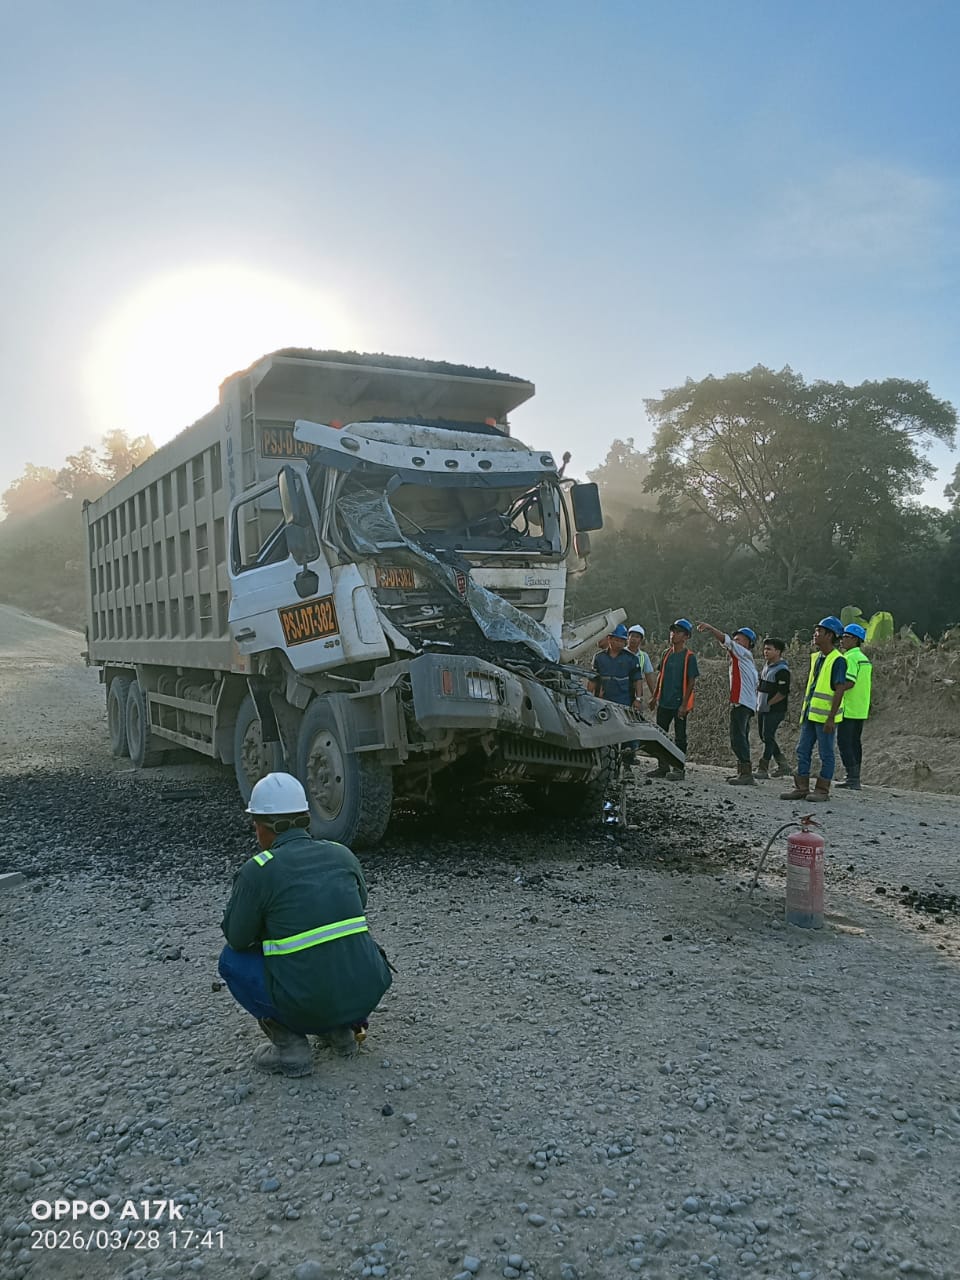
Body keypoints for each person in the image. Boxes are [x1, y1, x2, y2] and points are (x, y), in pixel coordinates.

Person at [218, 772, 393, 1077]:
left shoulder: (258, 871)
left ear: (264, 827)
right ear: (305, 818)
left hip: (305, 1003)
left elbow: (237, 938)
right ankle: (341, 1031)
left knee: (231, 961)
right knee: (337, 939)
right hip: (365, 994)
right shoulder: (342, 854)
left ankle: (290, 1048)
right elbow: (355, 906)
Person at [781, 617, 854, 803]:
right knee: (802, 750)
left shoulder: (838, 660)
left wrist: (830, 719)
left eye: (819, 632)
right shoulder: (817, 658)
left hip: (824, 718)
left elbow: (839, 690)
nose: (815, 635)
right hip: (810, 714)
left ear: (829, 635)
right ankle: (802, 787)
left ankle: (822, 790)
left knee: (826, 753)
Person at [696, 622, 759, 785]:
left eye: (740, 639)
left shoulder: (743, 654)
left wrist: (711, 628)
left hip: (742, 703)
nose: (736, 641)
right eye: (736, 639)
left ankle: (746, 774)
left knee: (737, 738)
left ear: (748, 644)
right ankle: (743, 772)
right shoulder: (744, 660)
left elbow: (727, 641)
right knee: (741, 736)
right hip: (747, 703)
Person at [648, 619, 699, 781]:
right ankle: (663, 766)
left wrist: (684, 704)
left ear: (686, 637)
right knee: (660, 735)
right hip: (664, 701)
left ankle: (678, 768)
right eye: (672, 631)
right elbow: (661, 676)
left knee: (680, 737)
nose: (673, 635)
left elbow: (691, 682)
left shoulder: (689, 657)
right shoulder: (666, 653)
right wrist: (655, 696)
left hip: (679, 703)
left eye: (678, 632)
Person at [588, 623, 645, 758]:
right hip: (603, 700)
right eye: (616, 639)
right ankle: (605, 761)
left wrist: (638, 699)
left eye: (621, 640)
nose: (618, 643)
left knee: (627, 733)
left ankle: (627, 766)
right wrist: (590, 697)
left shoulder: (631, 659)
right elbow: (592, 680)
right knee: (604, 732)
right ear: (609, 639)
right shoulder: (599, 657)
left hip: (624, 700)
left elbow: (638, 680)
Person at [837, 623, 873, 790]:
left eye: (846, 637)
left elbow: (849, 682)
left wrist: (835, 690)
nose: (842, 640)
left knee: (844, 742)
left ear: (855, 640)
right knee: (855, 743)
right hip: (860, 708)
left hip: (849, 707)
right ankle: (855, 776)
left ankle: (852, 778)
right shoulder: (863, 659)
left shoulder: (849, 658)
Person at [755, 637, 791, 779]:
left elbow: (783, 692)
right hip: (763, 708)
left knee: (768, 736)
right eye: (765, 648)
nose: (765, 651)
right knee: (765, 736)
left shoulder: (782, 670)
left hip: (775, 710)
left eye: (769, 649)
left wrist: (769, 703)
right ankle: (783, 765)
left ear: (778, 651)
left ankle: (763, 768)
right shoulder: (767, 666)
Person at [626, 624, 657, 699]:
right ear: (628, 637)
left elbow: (649, 676)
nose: (634, 639)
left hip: (636, 692)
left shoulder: (644, 656)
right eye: (632, 636)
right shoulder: (621, 652)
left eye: (637, 637)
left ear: (641, 640)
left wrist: (654, 695)